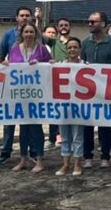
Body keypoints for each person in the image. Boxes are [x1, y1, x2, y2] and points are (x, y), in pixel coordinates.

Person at [6, 23, 52, 173]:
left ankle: (39, 160)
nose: (28, 34)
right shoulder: (14, 49)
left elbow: (50, 66)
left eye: (31, 32)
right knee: (23, 127)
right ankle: (23, 159)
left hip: (37, 94)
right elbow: (10, 67)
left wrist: (41, 64)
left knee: (36, 127)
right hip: (20, 94)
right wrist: (6, 65)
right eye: (26, 32)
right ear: (21, 33)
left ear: (36, 34)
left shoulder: (42, 49)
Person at [82, 11, 111, 169]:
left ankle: (105, 156)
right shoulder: (85, 43)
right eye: (89, 21)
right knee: (87, 126)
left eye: (93, 22)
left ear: (103, 24)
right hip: (88, 92)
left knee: (105, 126)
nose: (90, 24)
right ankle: (88, 156)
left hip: (106, 92)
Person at [0, 6, 34, 166]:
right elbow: (0, 57)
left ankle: (32, 151)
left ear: (31, 17)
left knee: (30, 120)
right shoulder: (8, 35)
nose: (24, 18)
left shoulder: (36, 34)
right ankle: (6, 152)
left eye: (27, 15)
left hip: (32, 85)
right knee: (10, 119)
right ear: (16, 17)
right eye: (22, 15)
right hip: (13, 84)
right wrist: (4, 64)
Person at [56, 36, 85, 177]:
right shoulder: (59, 66)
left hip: (79, 108)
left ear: (79, 49)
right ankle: (65, 164)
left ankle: (77, 164)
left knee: (77, 136)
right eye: (69, 47)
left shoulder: (86, 66)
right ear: (66, 50)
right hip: (63, 107)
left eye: (75, 47)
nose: (72, 50)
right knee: (64, 137)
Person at [44, 17, 72, 149]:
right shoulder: (53, 41)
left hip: (71, 81)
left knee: (69, 110)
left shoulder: (74, 42)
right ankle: (52, 137)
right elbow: (38, 35)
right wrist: (38, 19)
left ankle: (67, 137)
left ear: (70, 27)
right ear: (58, 28)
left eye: (66, 25)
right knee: (55, 109)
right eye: (61, 25)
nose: (64, 27)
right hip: (56, 80)